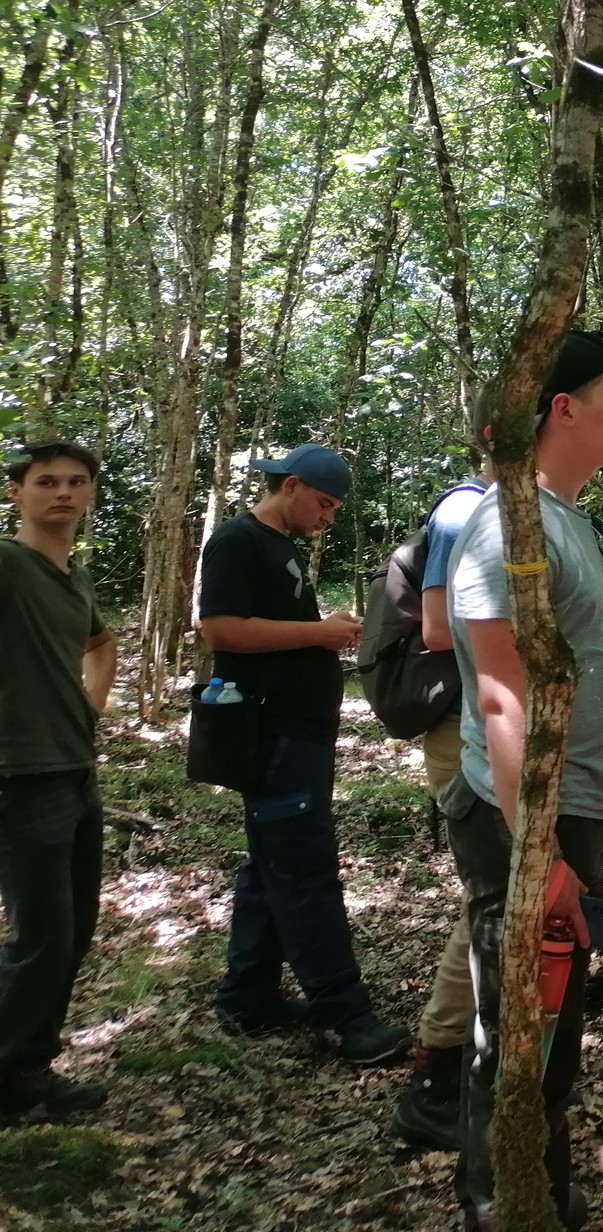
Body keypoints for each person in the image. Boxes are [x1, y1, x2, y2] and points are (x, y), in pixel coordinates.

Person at [443, 331, 603, 1230]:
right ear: (562, 409)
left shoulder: (562, 518)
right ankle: (506, 1207)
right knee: (525, 1040)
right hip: (528, 820)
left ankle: (535, 1200)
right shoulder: (506, 525)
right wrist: (544, 854)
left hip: (570, 813)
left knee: (551, 1040)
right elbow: (498, 697)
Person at [197, 442, 408, 1063]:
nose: (327, 517)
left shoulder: (282, 547)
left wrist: (321, 632)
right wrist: (320, 633)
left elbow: (276, 631)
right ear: (288, 487)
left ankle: (247, 995)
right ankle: (346, 1014)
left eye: (335, 508)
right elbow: (221, 628)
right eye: (322, 503)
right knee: (304, 868)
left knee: (271, 861)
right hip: (270, 732)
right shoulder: (237, 542)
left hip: (298, 731)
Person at [388, 396, 494, 1150]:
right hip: (466, 726)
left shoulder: (509, 510)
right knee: (488, 896)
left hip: (488, 720)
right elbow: (435, 626)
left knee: (496, 894)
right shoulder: (465, 510)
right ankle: (440, 1068)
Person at [0, 441, 117, 1120]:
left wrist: (87, 707)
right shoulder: (9, 564)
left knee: (70, 934)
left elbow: (100, 644)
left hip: (74, 769)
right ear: (17, 493)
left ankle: (31, 1066)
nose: (63, 493)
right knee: (39, 936)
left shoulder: (73, 577)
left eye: (76, 482)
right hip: (20, 775)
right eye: (46, 482)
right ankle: (13, 1081)